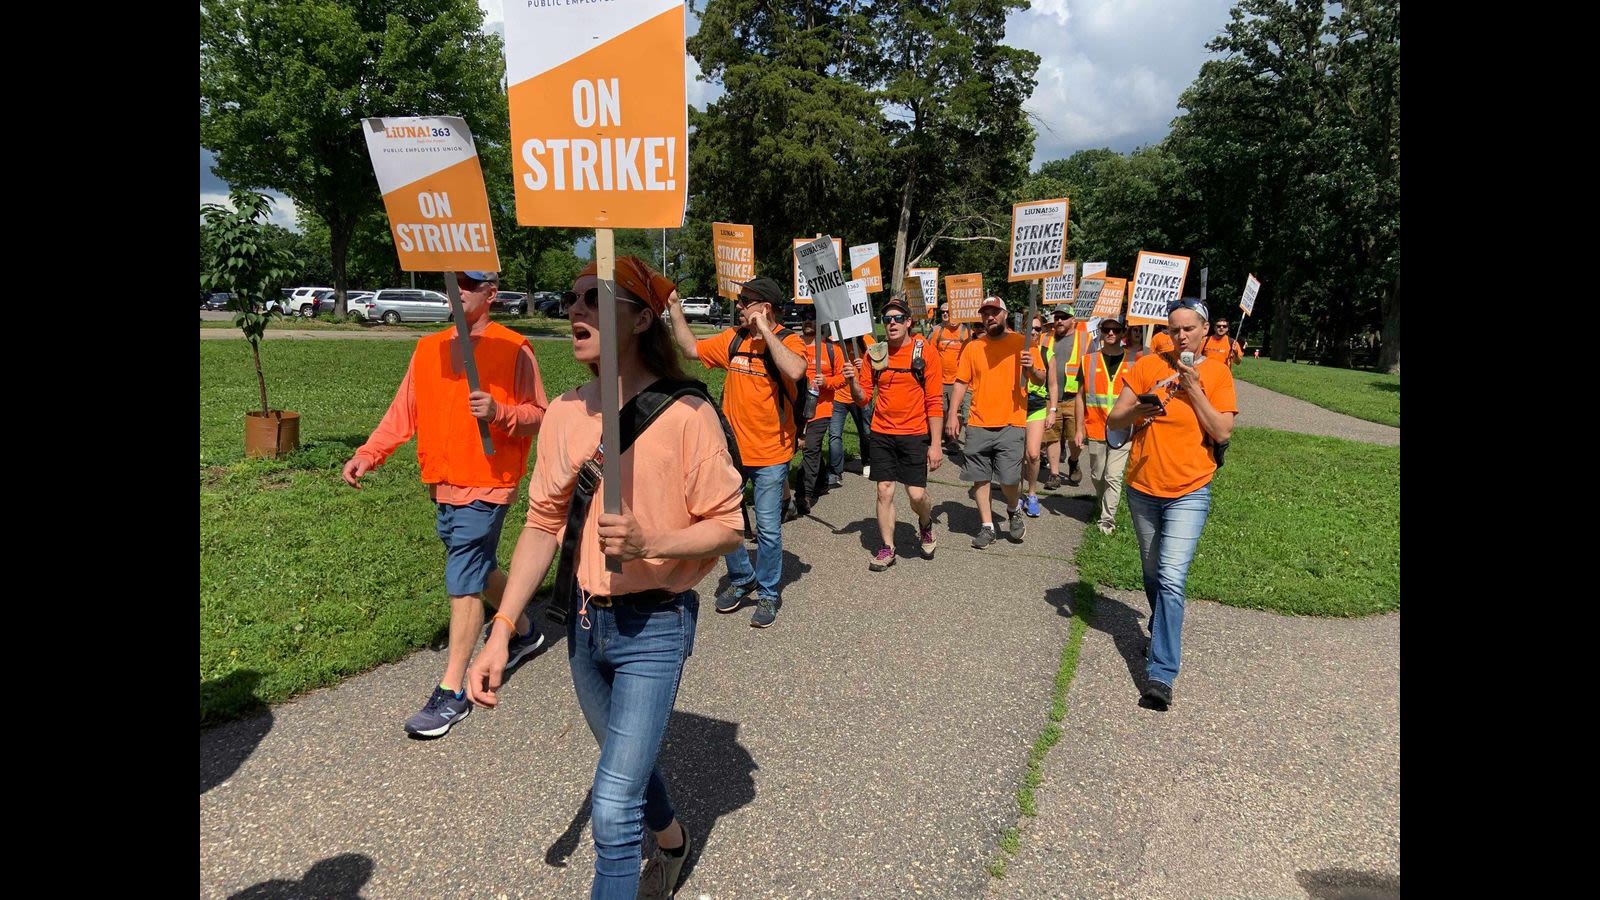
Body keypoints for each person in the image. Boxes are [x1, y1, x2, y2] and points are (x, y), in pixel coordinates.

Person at [468, 257, 745, 898]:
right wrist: (502, 628)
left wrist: (657, 541)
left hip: (654, 624)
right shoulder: (565, 413)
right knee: (628, 764)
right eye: (573, 298)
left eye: (596, 298)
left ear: (643, 317)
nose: (576, 310)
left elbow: (731, 527)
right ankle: (673, 839)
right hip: (584, 630)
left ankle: (649, 851)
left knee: (613, 806)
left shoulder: (686, 415)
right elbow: (541, 526)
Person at [341, 270, 549, 738]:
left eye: (468, 284)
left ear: (491, 294)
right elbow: (403, 412)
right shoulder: (428, 347)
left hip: (489, 479)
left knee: (464, 575)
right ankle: (525, 630)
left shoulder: (513, 346)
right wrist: (368, 453)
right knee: (476, 564)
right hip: (442, 478)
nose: (456, 291)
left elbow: (541, 414)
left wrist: (501, 413)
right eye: (450, 282)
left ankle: (452, 690)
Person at [1105, 297, 1239, 712]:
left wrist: (1194, 388)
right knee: (1151, 571)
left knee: (1171, 576)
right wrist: (1143, 409)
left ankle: (1161, 674)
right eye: (1173, 328)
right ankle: (1161, 623)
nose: (1179, 336)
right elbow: (1115, 419)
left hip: (1190, 489)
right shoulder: (1147, 364)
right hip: (1143, 486)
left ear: (1204, 331)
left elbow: (1221, 431)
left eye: (1188, 328)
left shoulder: (1217, 373)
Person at [667, 276, 806, 628]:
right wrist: (673, 309)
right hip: (731, 453)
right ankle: (743, 577)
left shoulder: (789, 341)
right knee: (724, 521)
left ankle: (769, 594)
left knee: (769, 530)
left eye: (746, 302)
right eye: (741, 301)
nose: (739, 306)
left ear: (765, 307)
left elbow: (795, 369)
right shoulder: (734, 339)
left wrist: (766, 331)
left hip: (772, 454)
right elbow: (690, 350)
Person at [850, 297, 944, 569]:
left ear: (908, 322)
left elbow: (934, 400)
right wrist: (851, 381)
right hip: (882, 432)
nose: (891, 323)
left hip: (914, 433)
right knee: (884, 491)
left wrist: (935, 444)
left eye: (897, 318)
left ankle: (925, 523)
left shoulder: (923, 351)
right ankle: (887, 548)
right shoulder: (875, 352)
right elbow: (863, 398)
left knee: (916, 495)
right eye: (887, 318)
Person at [945, 296, 1030, 548]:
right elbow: (961, 382)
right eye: (985, 313)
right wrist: (953, 414)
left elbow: (1040, 378)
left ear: (1005, 314)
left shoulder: (1022, 343)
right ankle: (987, 526)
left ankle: (1013, 508)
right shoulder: (973, 347)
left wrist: (1033, 368)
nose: (989, 317)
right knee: (980, 477)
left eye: (994, 312)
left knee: (1008, 479)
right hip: (979, 421)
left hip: (1012, 422)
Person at [1072, 316, 1134, 534]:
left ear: (1122, 333)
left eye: (1115, 330)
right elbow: (1079, 396)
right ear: (1100, 331)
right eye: (1106, 329)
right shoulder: (1087, 361)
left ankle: (1107, 520)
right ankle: (1102, 503)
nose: (1110, 333)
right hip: (1096, 428)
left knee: (1113, 476)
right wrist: (1079, 429)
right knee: (1098, 476)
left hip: (1124, 430)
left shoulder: (1134, 361)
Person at [795, 307, 848, 515]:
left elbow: (844, 378)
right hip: (796, 408)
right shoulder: (792, 344)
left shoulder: (831, 349)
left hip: (821, 408)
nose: (808, 321)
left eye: (813, 318)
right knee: (811, 450)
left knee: (810, 447)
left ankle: (804, 495)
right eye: (805, 318)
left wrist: (826, 381)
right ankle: (823, 479)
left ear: (821, 323)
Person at [1040, 308, 1085, 492]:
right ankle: (1055, 474)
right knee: (1052, 436)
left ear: (1073, 319)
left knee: (1075, 439)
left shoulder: (1084, 339)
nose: (1059, 321)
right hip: (1051, 398)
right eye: (1057, 317)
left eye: (1064, 318)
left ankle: (1073, 461)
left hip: (1074, 397)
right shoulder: (1045, 338)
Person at [829, 331, 876, 485]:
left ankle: (867, 461)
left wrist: (866, 365)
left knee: (866, 432)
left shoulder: (867, 340)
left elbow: (881, 367)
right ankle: (836, 471)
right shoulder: (832, 342)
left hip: (861, 397)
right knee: (834, 435)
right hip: (838, 397)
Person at [1019, 313, 1051, 516]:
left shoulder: (1046, 353)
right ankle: (1017, 492)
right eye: (1030, 327)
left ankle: (1032, 494)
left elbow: (1050, 382)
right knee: (1016, 456)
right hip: (1016, 404)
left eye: (1038, 329)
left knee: (1032, 454)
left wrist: (1053, 409)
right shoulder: (1015, 349)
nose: (1033, 332)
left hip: (1037, 405)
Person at [933, 304, 971, 446]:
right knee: (942, 410)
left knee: (958, 411)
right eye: (943, 312)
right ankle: (944, 433)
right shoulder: (938, 331)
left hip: (959, 380)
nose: (946, 314)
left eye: (948, 312)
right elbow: (931, 353)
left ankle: (953, 440)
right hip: (941, 379)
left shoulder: (967, 332)